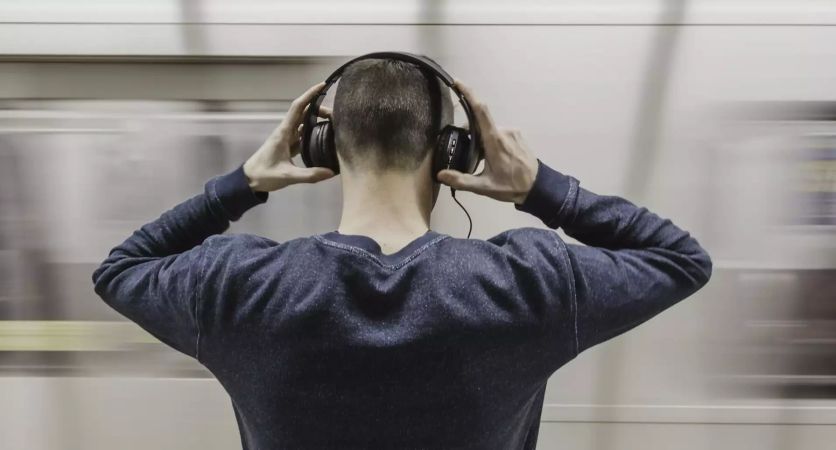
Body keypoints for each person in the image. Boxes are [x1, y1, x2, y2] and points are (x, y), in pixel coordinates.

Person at [93, 57, 712, 449]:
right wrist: (541, 188)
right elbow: (680, 259)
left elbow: (120, 268)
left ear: (322, 148)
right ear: (452, 154)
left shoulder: (239, 285)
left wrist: (244, 183)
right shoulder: (527, 281)